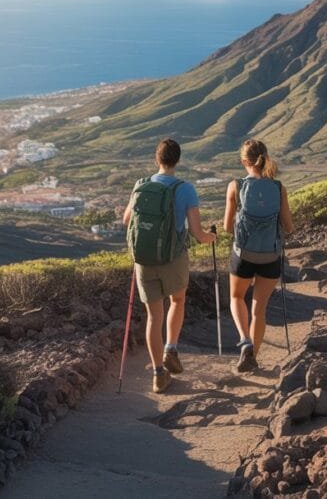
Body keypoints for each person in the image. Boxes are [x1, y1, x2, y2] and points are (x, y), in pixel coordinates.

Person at [123, 138, 216, 394]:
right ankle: (171, 349)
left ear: (157, 158)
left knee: (154, 317)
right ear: (178, 160)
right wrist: (211, 237)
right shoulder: (185, 189)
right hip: (173, 258)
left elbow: (127, 220)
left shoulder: (141, 185)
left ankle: (158, 374)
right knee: (177, 300)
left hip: (144, 260)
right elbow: (197, 233)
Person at [223, 139, 294, 373]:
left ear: (244, 161)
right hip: (270, 256)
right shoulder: (278, 188)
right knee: (259, 310)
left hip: (243, 254)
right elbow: (289, 226)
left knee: (236, 297)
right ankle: (252, 358)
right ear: (265, 158)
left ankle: (245, 342)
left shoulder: (235, 186)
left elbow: (227, 228)